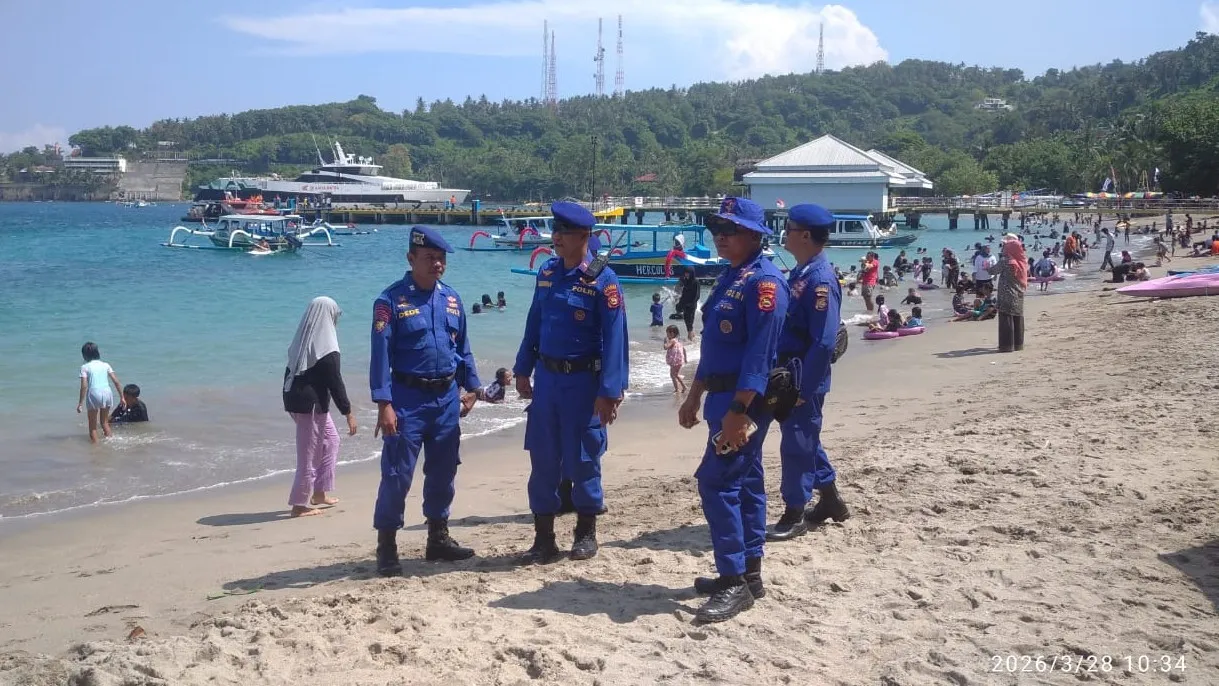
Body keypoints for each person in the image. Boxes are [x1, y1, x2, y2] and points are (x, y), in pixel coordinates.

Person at [678, 196, 788, 623]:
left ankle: (733, 581)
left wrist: (740, 412)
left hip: (744, 403)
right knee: (745, 485)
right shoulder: (732, 277)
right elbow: (714, 347)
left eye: (730, 230)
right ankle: (749, 573)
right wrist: (694, 394)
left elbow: (759, 357)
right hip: (722, 398)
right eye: (716, 230)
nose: (720, 237)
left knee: (716, 483)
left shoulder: (765, 283)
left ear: (755, 235)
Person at [514, 202, 628, 564]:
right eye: (555, 231)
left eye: (563, 232)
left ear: (584, 236)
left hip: (583, 383)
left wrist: (611, 391)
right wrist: (522, 368)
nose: (555, 238)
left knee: (583, 458)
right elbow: (534, 323)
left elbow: (615, 340)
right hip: (547, 381)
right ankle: (543, 538)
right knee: (543, 458)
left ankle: (586, 532)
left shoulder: (603, 280)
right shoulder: (547, 273)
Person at [371, 226, 482, 576]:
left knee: (444, 471)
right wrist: (383, 403)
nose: (437, 265)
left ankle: (438, 538)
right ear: (411, 259)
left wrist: (473, 388)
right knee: (397, 474)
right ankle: (387, 546)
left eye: (441, 259)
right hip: (407, 400)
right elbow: (380, 358)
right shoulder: (389, 302)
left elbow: (461, 349)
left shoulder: (451, 299)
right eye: (430, 258)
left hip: (447, 399)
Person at [759, 203, 849, 548]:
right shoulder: (801, 272)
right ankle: (829, 499)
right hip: (790, 372)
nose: (786, 233)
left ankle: (794, 512)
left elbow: (824, 341)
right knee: (804, 436)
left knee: (796, 444)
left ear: (806, 236)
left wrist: (804, 388)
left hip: (802, 375)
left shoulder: (820, 280)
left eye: (791, 228)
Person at [283, 296, 357, 518]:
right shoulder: (327, 348)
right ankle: (299, 503)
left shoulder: (302, 340)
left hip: (296, 401)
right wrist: (348, 412)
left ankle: (319, 492)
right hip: (309, 406)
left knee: (331, 440)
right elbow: (335, 382)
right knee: (309, 453)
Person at [76, 342, 123, 443]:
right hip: (107, 392)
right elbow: (116, 381)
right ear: (97, 352)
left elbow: (84, 386)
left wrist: (80, 403)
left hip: (94, 393)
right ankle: (111, 441)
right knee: (104, 422)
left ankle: (96, 450)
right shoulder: (106, 365)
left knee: (92, 426)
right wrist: (121, 397)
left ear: (84, 355)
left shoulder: (84, 367)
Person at [990, 234, 1028, 353]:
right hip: (1019, 293)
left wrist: (987, 268)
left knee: (1006, 319)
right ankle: (1018, 344)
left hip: (1006, 293)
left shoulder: (1006, 261)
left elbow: (993, 270)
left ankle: (1007, 346)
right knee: (1017, 318)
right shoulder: (1022, 261)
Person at [676, 268, 701, 340]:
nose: (686, 274)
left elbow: (697, 295)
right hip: (684, 304)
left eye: (688, 273)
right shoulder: (686, 281)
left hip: (691, 305)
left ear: (691, 273)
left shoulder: (696, 282)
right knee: (686, 321)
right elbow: (683, 294)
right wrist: (680, 304)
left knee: (690, 321)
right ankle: (692, 337)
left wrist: (691, 303)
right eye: (685, 273)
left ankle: (690, 338)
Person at [664, 324, 687, 394]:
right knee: (674, 374)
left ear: (672, 333)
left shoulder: (672, 341)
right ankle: (681, 387)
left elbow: (666, 347)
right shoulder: (677, 341)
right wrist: (685, 358)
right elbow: (684, 349)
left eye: (667, 333)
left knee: (674, 375)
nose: (667, 335)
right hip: (678, 360)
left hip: (675, 361)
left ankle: (679, 388)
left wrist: (665, 342)